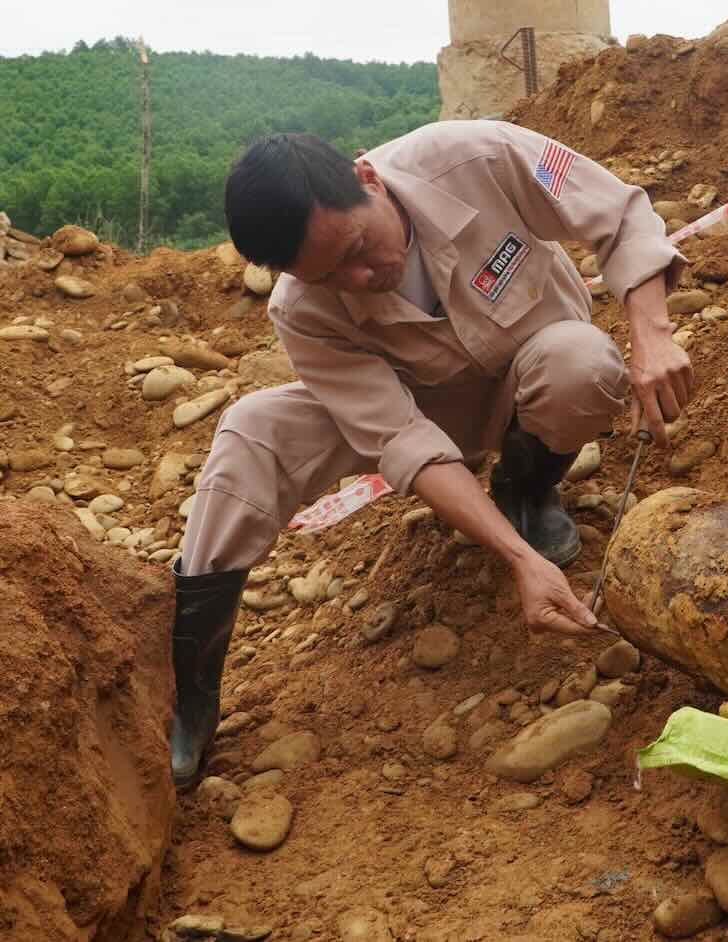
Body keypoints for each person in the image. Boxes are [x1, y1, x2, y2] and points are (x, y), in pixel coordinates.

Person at [167, 120, 693, 790]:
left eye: (359, 247)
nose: (364, 277)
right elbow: (405, 443)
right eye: (333, 276)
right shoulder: (301, 308)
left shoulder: (477, 156)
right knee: (252, 427)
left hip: (527, 377)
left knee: (582, 363)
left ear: (367, 177)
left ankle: (528, 488)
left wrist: (651, 335)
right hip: (425, 408)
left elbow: (618, 213)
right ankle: (190, 691)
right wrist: (518, 561)